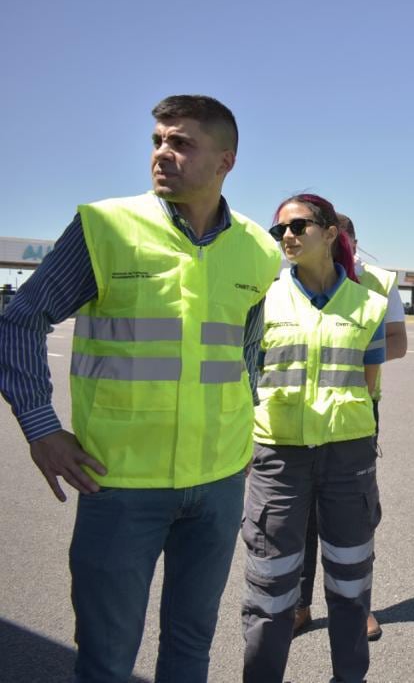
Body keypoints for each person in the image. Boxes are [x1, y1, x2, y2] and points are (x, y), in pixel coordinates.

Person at [0, 95, 281, 682]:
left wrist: (246, 428)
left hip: (220, 481)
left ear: (226, 159)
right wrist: (41, 427)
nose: (163, 153)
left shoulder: (258, 247)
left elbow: (247, 350)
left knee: (191, 642)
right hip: (121, 482)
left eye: (181, 143)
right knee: (107, 656)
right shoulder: (106, 227)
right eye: (158, 140)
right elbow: (21, 319)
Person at [241, 194, 388, 683]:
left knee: (350, 587)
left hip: (349, 461)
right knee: (270, 590)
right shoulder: (260, 297)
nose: (287, 235)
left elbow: (368, 386)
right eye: (279, 228)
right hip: (277, 460)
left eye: (299, 225)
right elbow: (245, 376)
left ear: (330, 234)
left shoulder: (371, 303)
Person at [294, 212, 407, 641]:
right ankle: (300, 605)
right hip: (298, 410)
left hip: (358, 410)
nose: (342, 247)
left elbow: (397, 342)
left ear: (353, 241)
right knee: (300, 516)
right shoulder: (291, 280)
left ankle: (357, 607)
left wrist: (357, 353)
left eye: (348, 240)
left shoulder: (378, 282)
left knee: (354, 516)